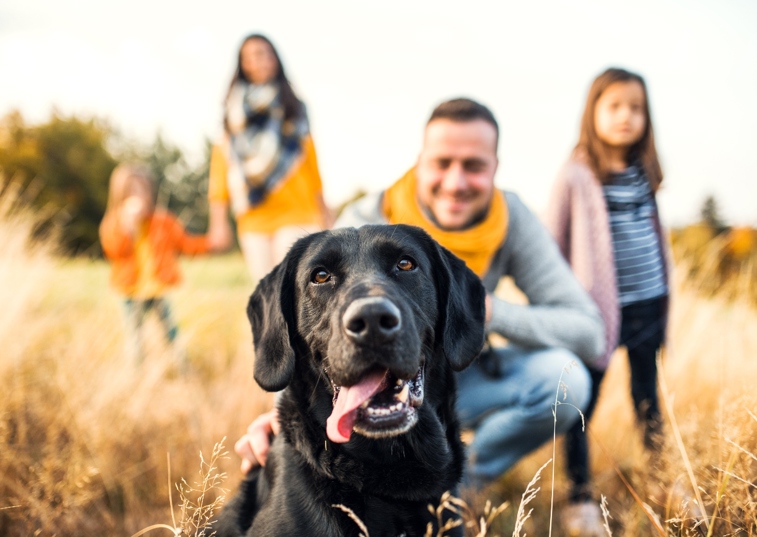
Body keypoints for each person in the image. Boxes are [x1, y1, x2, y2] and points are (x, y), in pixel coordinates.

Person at [235, 98, 605, 491]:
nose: (456, 182)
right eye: (442, 163)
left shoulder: (511, 219)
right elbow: (317, 329)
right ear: (420, 161)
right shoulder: (364, 221)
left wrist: (483, 311)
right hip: (377, 377)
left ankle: (454, 485)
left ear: (495, 168)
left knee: (567, 379)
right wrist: (280, 416)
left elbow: (588, 331)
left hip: (463, 372)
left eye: (474, 166)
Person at [544, 67, 671, 534]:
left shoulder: (644, 172)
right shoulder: (576, 172)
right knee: (581, 402)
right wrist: (559, 305)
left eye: (635, 108)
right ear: (592, 112)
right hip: (595, 315)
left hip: (648, 305)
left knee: (647, 398)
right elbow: (551, 243)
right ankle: (579, 496)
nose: (625, 117)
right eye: (614, 106)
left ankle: (663, 480)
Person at [207, 33, 331, 284]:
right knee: (267, 292)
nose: (259, 60)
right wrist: (218, 221)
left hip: (298, 211)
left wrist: (325, 211)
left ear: (275, 59)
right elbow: (221, 167)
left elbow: (311, 162)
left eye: (264, 53)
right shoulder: (232, 114)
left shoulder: (294, 107)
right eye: (250, 56)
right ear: (242, 65)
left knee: (295, 285)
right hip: (253, 216)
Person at [99, 162, 218, 365]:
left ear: (150, 193)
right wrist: (128, 226)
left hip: (158, 289)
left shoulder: (163, 222)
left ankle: (183, 367)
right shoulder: (114, 223)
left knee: (171, 332)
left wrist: (211, 244)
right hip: (130, 291)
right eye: (130, 190)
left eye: (141, 190)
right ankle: (136, 372)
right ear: (119, 194)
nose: (137, 196)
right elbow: (114, 250)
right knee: (134, 336)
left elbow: (186, 244)